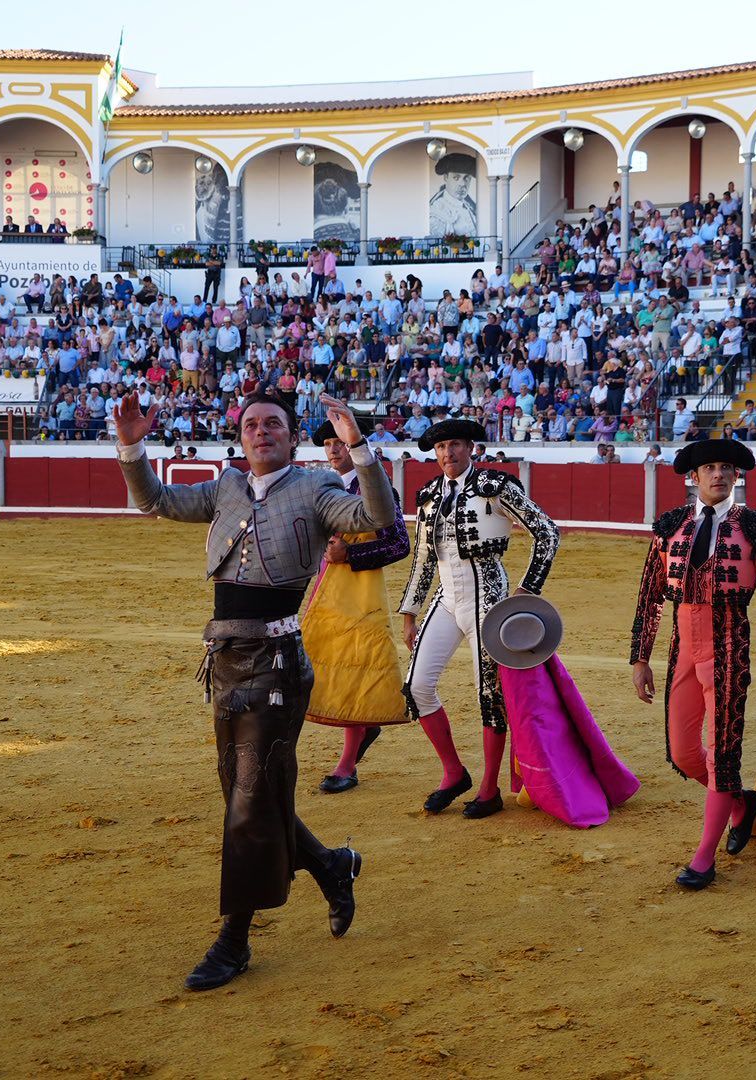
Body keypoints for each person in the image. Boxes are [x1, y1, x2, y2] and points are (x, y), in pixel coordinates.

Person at [110, 388, 396, 992]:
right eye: (251, 425)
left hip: (277, 665)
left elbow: (377, 519)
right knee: (252, 796)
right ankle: (331, 865)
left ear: (292, 437)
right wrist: (133, 446)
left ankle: (234, 941)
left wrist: (360, 450)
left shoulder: (318, 490)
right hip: (225, 660)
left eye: (273, 425)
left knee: (247, 802)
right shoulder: (224, 487)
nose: (261, 432)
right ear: (240, 437)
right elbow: (153, 502)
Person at [628, 438, 756, 890]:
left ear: (737, 475)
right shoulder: (670, 526)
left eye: (727, 467)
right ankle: (742, 803)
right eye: (710, 468)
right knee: (684, 754)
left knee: (723, 752)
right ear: (694, 476)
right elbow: (649, 596)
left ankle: (704, 856)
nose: (719, 474)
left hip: (729, 645)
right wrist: (640, 657)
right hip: (684, 645)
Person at [397, 417, 560, 819]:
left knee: (490, 695)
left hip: (489, 597)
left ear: (471, 448)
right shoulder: (429, 495)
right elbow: (422, 557)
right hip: (447, 598)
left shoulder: (496, 486)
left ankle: (489, 789)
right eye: (440, 448)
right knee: (416, 687)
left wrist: (528, 589)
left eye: (455, 445)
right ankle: (454, 773)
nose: (448, 453)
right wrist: (409, 611)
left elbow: (548, 532)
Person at [301, 419, 412, 793]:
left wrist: (351, 553)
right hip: (326, 591)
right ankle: (363, 729)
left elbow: (399, 544)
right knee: (319, 665)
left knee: (354, 672)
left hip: (362, 594)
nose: (333, 449)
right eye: (328, 444)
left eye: (340, 442)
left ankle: (347, 763)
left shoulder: (377, 490)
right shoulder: (320, 488)